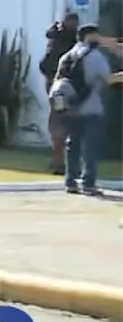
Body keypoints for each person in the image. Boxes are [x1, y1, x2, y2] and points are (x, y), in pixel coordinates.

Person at [49, 22, 112, 196]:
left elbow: (58, 81)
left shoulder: (66, 57)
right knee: (90, 147)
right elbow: (108, 78)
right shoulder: (95, 56)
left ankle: (70, 181)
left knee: (72, 144)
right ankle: (88, 183)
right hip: (91, 108)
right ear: (90, 36)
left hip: (71, 108)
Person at [41, 11, 81, 174]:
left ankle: (60, 163)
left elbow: (44, 65)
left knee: (59, 124)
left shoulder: (55, 38)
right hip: (65, 89)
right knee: (65, 125)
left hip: (56, 88)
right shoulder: (71, 44)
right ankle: (62, 163)